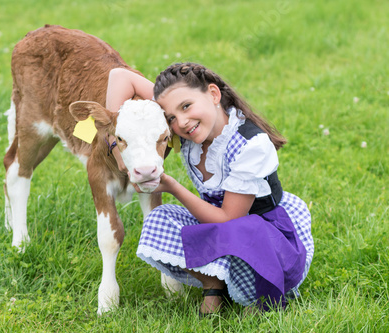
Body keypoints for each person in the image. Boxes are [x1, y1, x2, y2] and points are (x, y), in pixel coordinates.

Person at [105, 63, 314, 315]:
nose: (181, 122)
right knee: (159, 221)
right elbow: (119, 77)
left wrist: (172, 186)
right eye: (170, 117)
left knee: (250, 254)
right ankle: (213, 283)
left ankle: (256, 294)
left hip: (262, 233)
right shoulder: (190, 131)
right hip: (218, 223)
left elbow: (229, 219)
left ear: (214, 95)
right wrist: (114, 144)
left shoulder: (251, 144)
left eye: (186, 106)